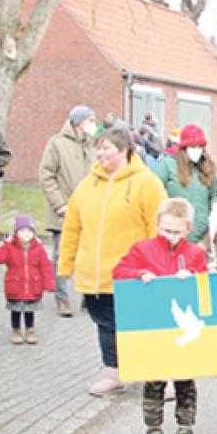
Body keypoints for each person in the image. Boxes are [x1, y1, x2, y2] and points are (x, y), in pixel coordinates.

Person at [58, 127, 167, 395]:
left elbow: (159, 226)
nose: (100, 154)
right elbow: (73, 226)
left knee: (142, 326)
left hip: (134, 274)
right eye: (99, 148)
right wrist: (66, 264)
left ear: (123, 150)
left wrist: (158, 265)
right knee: (106, 325)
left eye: (107, 148)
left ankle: (157, 377)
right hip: (96, 274)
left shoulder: (147, 183)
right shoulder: (87, 186)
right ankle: (113, 372)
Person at [112, 198, 208, 434]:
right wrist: (138, 274)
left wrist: (194, 277)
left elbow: (207, 285)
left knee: (185, 381)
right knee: (154, 382)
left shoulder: (195, 253)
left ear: (188, 229)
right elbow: (119, 271)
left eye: (177, 231)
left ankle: (186, 427)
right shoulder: (142, 249)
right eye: (166, 230)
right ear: (157, 225)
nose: (171, 236)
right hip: (153, 328)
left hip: (183, 329)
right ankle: (153, 429)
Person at [38, 104, 97, 317]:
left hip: (90, 212)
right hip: (64, 211)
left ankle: (87, 297)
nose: (93, 125)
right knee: (62, 255)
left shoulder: (94, 145)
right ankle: (62, 297)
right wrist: (59, 204)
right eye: (90, 120)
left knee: (89, 254)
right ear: (79, 122)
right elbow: (46, 175)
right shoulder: (57, 144)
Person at [0, 215, 55, 345]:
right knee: (16, 310)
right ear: (16, 233)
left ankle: (30, 329)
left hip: (33, 286)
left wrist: (49, 283)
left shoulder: (39, 249)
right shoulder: (9, 247)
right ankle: (16, 329)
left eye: (29, 231)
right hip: (15, 285)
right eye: (22, 231)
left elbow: (46, 266)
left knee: (30, 310)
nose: (26, 234)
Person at [154, 124, 217, 244]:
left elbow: (215, 195)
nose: (197, 150)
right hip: (172, 236)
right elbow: (154, 193)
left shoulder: (208, 168)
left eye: (200, 146)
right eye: (193, 146)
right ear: (184, 147)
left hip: (199, 237)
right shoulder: (167, 165)